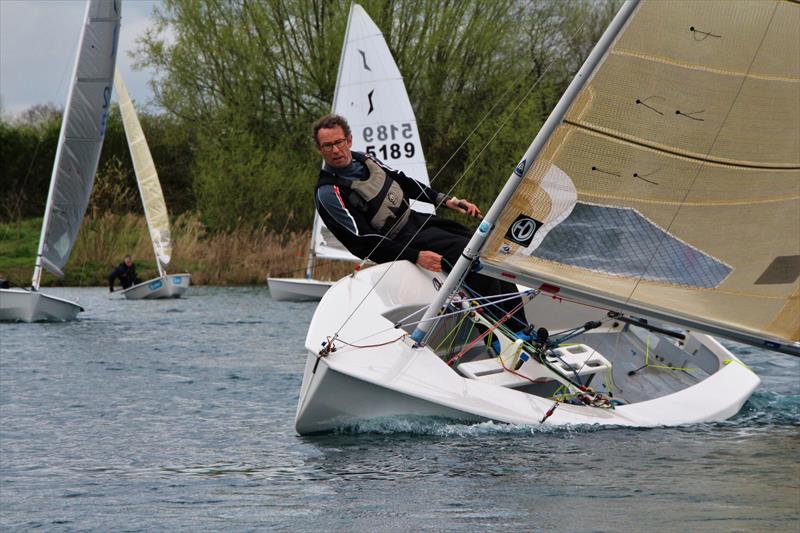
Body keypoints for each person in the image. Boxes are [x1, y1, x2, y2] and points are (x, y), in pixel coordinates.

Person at [312, 113, 526, 328]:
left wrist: (445, 200)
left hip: (417, 221)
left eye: (338, 142)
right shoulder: (329, 192)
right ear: (320, 150)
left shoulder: (364, 159)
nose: (335, 150)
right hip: (399, 242)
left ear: (349, 140)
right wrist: (414, 256)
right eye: (327, 146)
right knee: (465, 252)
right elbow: (361, 242)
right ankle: (499, 330)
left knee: (480, 244)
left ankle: (520, 325)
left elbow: (403, 181)